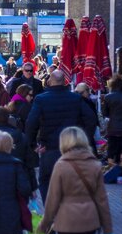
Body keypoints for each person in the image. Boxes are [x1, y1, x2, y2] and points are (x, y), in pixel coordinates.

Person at [38, 126, 113, 234]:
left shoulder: (61, 165)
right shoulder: (94, 164)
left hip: (67, 222)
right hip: (90, 221)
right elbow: (102, 199)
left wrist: (45, 224)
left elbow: (53, 199)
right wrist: (107, 227)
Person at [25, 70, 96, 201]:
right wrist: (84, 140)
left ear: (50, 81)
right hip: (73, 148)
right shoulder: (75, 98)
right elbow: (91, 119)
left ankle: (51, 211)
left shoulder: (41, 99)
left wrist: (32, 145)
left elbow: (31, 123)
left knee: (46, 180)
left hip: (49, 148)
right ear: (65, 82)